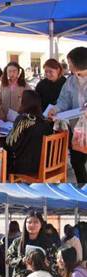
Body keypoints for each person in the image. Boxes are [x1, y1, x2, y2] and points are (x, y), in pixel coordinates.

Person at [48, 47, 87, 184]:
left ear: (79, 62)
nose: (68, 66)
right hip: (77, 129)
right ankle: (82, 189)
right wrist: (56, 109)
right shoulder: (71, 81)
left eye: (70, 62)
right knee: (77, 161)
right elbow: (64, 100)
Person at [4, 90, 53, 176]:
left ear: (25, 101)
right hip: (44, 165)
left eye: (20, 98)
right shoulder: (45, 122)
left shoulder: (23, 120)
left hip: (26, 168)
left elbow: (11, 144)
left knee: (5, 149)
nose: (19, 100)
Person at [7, 210, 58, 277]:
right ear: (25, 224)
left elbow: (56, 263)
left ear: (41, 224)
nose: (32, 225)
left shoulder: (49, 243)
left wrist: (46, 263)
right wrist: (21, 261)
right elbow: (8, 259)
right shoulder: (17, 242)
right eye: (29, 222)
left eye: (36, 222)